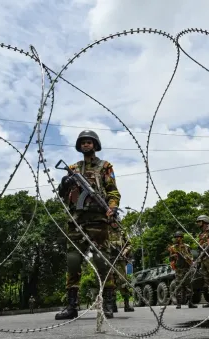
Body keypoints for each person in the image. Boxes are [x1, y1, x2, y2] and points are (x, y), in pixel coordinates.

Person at [54, 130, 120, 320]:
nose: (86, 144)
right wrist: (65, 183)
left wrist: (113, 208)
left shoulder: (105, 166)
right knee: (73, 262)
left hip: (99, 220)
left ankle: (108, 304)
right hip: (76, 220)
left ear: (95, 145)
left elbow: (113, 192)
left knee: (102, 261)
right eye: (83, 142)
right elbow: (62, 194)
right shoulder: (73, 168)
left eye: (89, 142)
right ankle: (72, 306)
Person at [168, 231, 197, 309]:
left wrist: (189, 258)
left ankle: (190, 302)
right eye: (176, 237)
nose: (177, 239)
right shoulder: (173, 248)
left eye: (179, 237)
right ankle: (178, 303)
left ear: (182, 238)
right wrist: (174, 256)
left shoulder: (187, 246)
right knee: (178, 286)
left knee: (189, 286)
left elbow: (191, 256)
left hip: (186, 268)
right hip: (179, 269)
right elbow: (170, 258)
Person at [109, 226, 135, 312]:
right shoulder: (106, 230)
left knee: (122, 281)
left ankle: (126, 305)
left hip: (120, 260)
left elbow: (129, 244)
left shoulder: (122, 232)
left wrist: (125, 252)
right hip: (109, 260)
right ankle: (112, 305)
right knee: (111, 282)